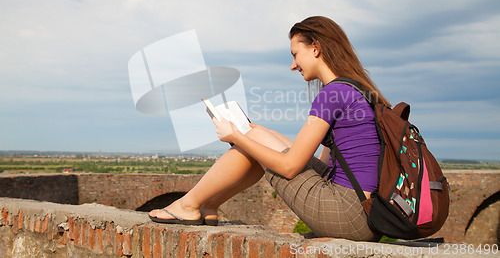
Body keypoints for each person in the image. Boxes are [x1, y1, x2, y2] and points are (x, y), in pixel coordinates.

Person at [149, 16, 391, 241]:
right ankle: (208, 205)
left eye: (295, 54)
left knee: (254, 138)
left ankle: (188, 205)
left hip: (348, 216)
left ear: (315, 48)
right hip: (365, 214)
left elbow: (290, 167)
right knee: (264, 134)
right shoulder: (356, 90)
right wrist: (255, 138)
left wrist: (236, 136)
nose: (293, 65)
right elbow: (331, 165)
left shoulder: (333, 94)